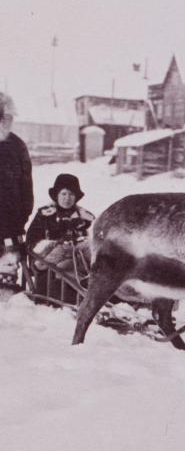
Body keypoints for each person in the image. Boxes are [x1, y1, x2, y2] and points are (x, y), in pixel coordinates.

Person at [25, 173, 96, 303]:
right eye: (64, 194)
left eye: (71, 194)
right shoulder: (45, 215)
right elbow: (31, 241)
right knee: (63, 271)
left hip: (76, 264)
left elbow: (87, 243)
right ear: (57, 195)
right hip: (49, 265)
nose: (67, 198)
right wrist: (54, 246)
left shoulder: (82, 218)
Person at [0, 94, 33, 300]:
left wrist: (22, 215)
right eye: (6, 117)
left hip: (10, 222)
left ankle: (5, 303)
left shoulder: (17, 146)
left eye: (11, 117)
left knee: (8, 267)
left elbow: (26, 185)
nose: (10, 121)